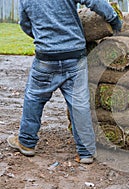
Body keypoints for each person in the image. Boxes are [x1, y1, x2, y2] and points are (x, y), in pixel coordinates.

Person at [7, 0, 122, 164]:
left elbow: (25, 24)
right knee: (79, 103)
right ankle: (86, 152)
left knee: (34, 98)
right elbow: (94, 1)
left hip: (46, 58)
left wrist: (44, 36)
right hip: (74, 55)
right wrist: (113, 19)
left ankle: (26, 143)